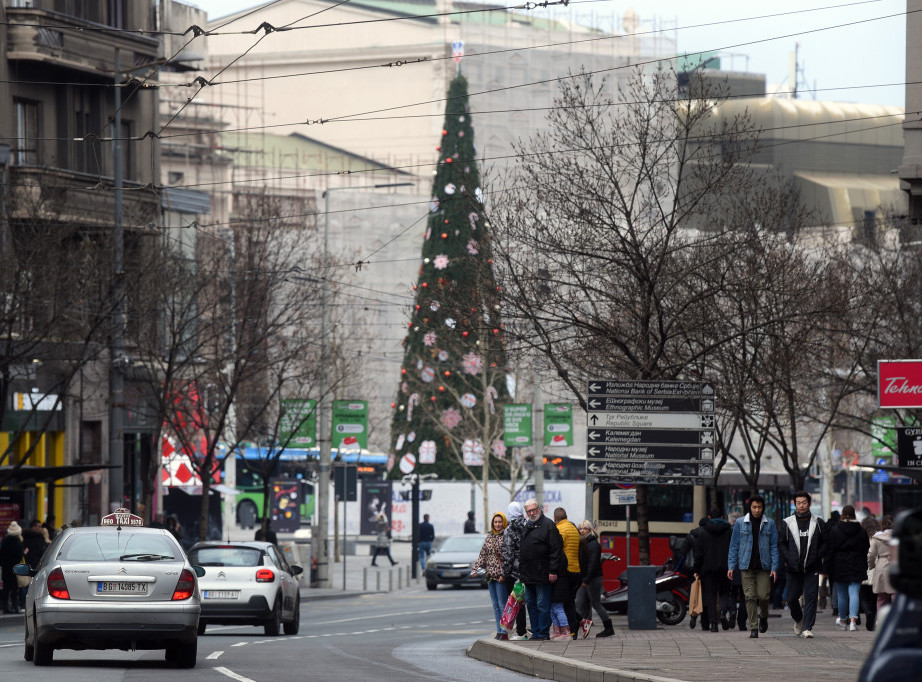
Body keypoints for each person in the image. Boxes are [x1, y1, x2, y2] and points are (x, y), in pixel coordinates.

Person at [727, 495, 780, 638]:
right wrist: (731, 566)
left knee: (763, 596)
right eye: (754, 507)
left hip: (764, 566)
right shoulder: (740, 523)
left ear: (763, 508)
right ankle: (754, 627)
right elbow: (734, 546)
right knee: (749, 597)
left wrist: (775, 568)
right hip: (746, 566)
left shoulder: (770, 524)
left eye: (759, 507)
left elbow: (774, 547)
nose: (757, 510)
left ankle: (763, 616)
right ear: (750, 508)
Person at [779, 490, 829, 638]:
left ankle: (807, 627)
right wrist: (788, 558)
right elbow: (781, 543)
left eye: (804, 502)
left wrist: (817, 556)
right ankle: (799, 619)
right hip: (793, 567)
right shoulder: (787, 522)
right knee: (792, 598)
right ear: (795, 504)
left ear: (809, 503)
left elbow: (826, 542)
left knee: (811, 596)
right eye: (798, 503)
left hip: (811, 566)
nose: (801, 505)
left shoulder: (818, 522)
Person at [518, 498, 564, 640]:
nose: (532, 513)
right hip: (529, 574)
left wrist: (553, 570)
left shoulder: (548, 525)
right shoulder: (528, 525)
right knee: (531, 604)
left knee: (542, 605)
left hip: (543, 573)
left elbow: (556, 550)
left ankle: (543, 633)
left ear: (539, 509)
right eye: (529, 511)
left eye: (534, 510)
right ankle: (536, 632)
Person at [829, 504, 870, 632]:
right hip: (857, 564)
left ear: (842, 515)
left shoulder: (835, 529)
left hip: (839, 565)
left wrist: (828, 567)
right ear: (854, 515)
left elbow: (831, 549)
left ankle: (842, 620)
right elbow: (866, 548)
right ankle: (853, 622)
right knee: (854, 593)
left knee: (842, 595)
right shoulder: (861, 530)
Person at [694, 507, 732, 632]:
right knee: (725, 592)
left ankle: (714, 624)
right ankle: (722, 612)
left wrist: (697, 570)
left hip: (708, 569)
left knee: (710, 595)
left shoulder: (703, 532)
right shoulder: (729, 531)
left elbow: (699, 554)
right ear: (722, 517)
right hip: (726, 567)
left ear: (709, 517)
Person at [472, 512, 509, 640]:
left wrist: (504, 574)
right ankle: (498, 631)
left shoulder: (506, 535)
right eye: (495, 522)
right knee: (495, 605)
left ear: (503, 522)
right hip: (490, 575)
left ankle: (504, 632)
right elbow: (483, 554)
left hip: (500, 576)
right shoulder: (490, 536)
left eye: (499, 522)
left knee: (502, 604)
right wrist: (476, 568)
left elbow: (508, 557)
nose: (497, 524)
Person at [575, 520, 612, 638]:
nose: (582, 531)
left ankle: (609, 628)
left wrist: (586, 579)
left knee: (596, 604)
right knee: (579, 604)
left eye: (584, 528)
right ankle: (575, 630)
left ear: (590, 530)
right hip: (585, 578)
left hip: (593, 579)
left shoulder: (593, 544)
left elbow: (593, 563)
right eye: (580, 528)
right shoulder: (583, 542)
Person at [502, 501, 529, 640]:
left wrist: (504, 573)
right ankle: (535, 630)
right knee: (530, 601)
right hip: (529, 570)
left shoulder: (509, 529)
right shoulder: (528, 525)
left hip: (514, 572)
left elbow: (508, 554)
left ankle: (521, 631)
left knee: (516, 602)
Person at [554, 507, 582, 639]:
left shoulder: (559, 529)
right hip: (576, 569)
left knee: (564, 602)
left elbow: (557, 549)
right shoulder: (573, 528)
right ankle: (574, 627)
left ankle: (571, 629)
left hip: (565, 571)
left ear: (555, 519)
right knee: (570, 601)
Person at [680, 517, 711, 631]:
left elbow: (683, 551)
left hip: (693, 569)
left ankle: (693, 614)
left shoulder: (691, 535)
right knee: (706, 596)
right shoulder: (708, 535)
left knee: (694, 593)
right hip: (706, 568)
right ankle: (705, 623)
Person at [868, 514, 895, 611]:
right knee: (895, 596)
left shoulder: (877, 537)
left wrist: (872, 566)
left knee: (881, 598)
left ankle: (880, 620)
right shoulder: (899, 537)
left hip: (881, 565)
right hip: (895, 566)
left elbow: (871, 554)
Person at [0, 521, 25, 614]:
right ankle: (15, 606)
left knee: (6, 588)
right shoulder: (18, 542)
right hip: (15, 569)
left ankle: (5, 607)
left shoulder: (5, 541)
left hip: (6, 569)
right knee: (14, 589)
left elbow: (1, 555)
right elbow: (19, 556)